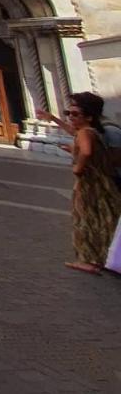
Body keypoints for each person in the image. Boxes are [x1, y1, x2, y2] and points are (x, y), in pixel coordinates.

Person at [45, 92, 121, 274]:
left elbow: (86, 152)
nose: (70, 117)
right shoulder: (94, 131)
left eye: (75, 114)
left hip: (90, 183)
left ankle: (89, 260)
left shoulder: (86, 132)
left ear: (89, 116)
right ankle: (104, 258)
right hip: (101, 182)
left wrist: (77, 168)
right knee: (104, 219)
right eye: (68, 113)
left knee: (85, 220)